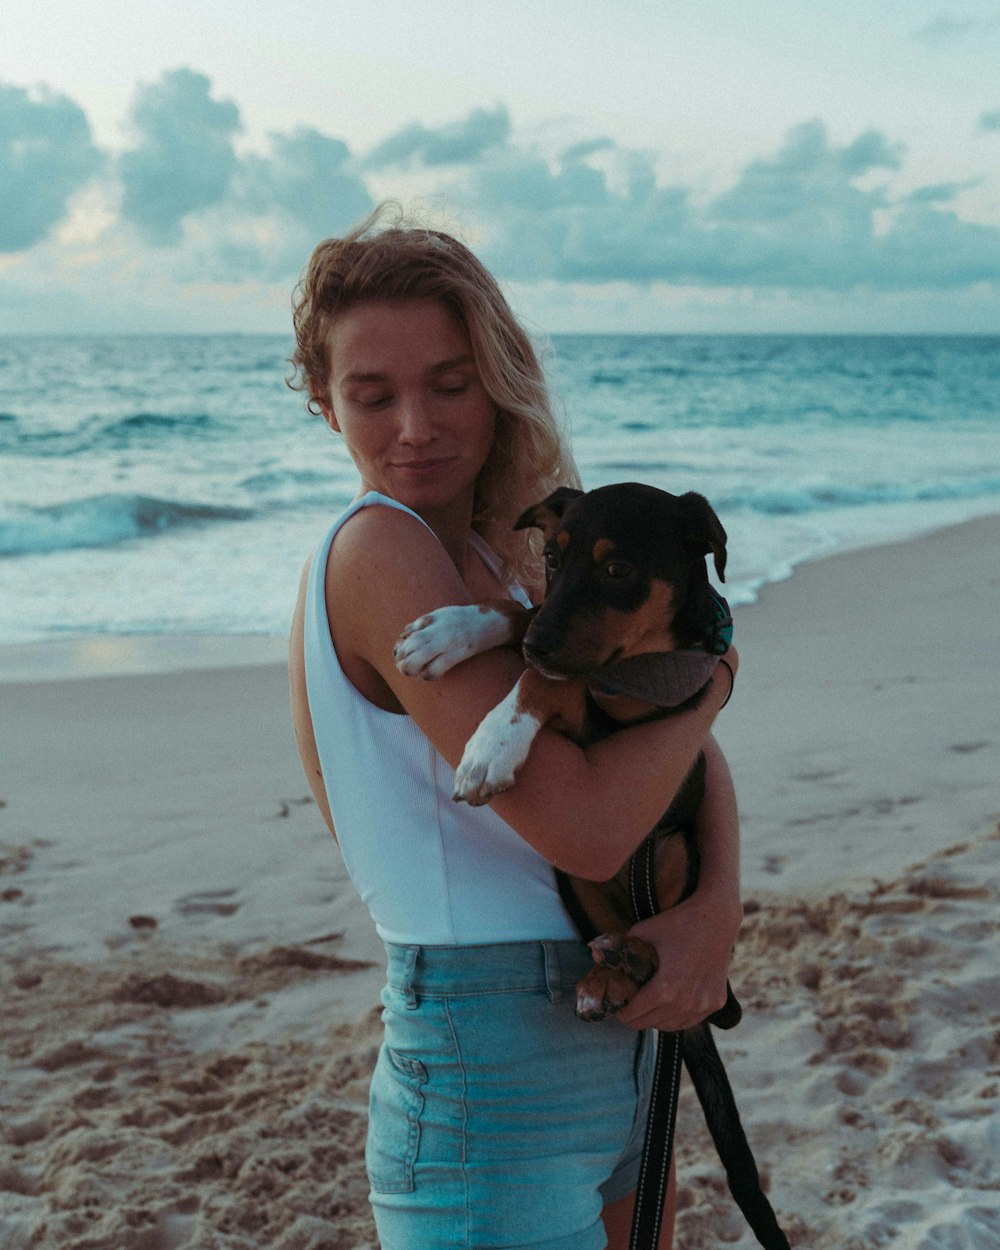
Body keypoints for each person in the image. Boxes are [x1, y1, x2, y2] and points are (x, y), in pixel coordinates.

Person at [287, 203, 742, 1250]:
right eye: (372, 394)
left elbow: (680, 754)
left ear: (496, 378)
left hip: (619, 1006)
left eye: (450, 383)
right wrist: (716, 674)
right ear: (323, 403)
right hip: (487, 1060)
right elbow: (587, 827)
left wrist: (712, 909)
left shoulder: (513, 554)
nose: (418, 424)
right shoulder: (379, 554)